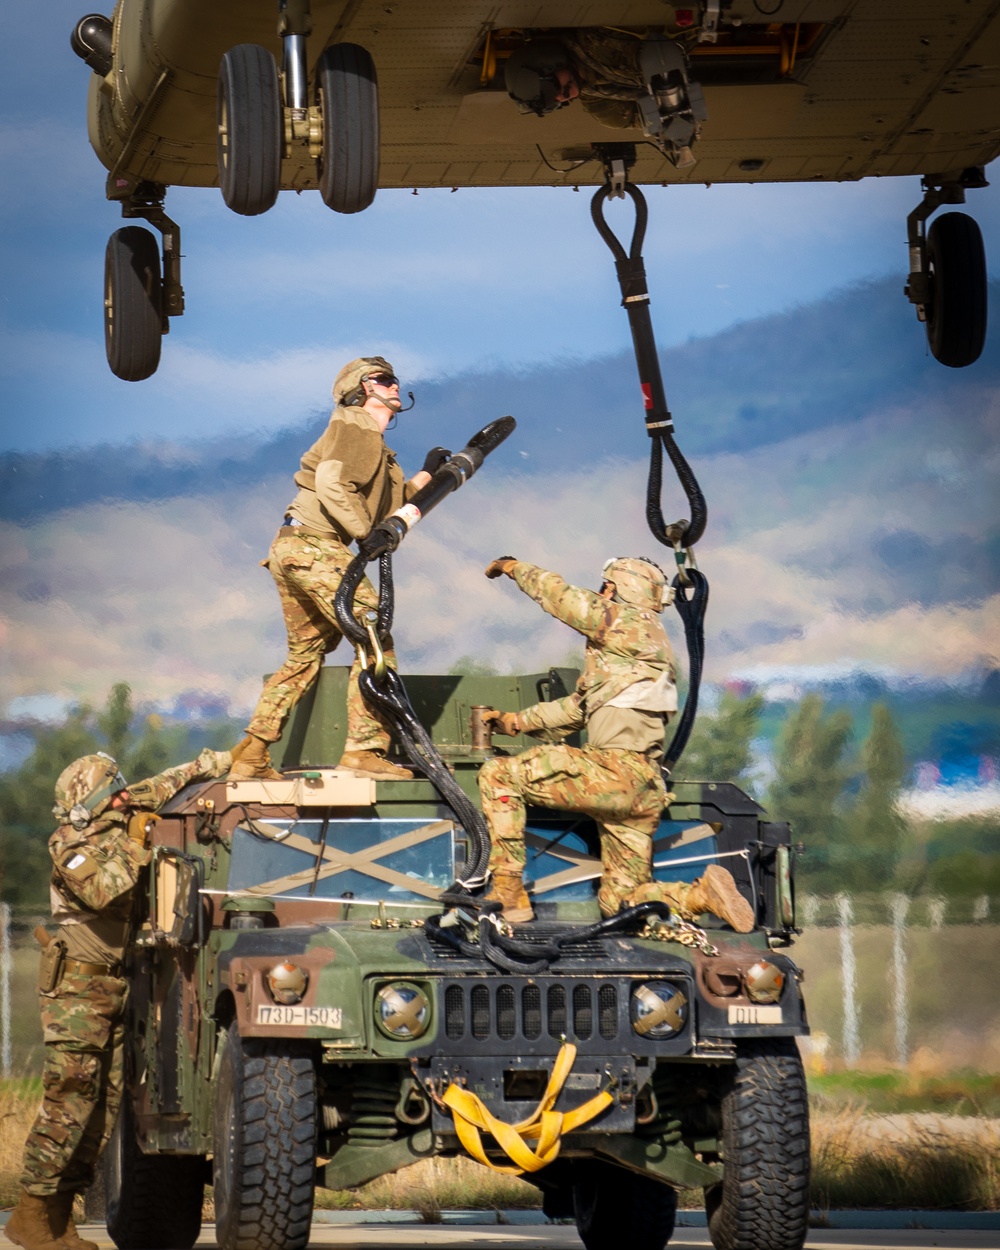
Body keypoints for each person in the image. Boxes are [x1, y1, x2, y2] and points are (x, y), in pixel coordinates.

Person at [5, 747, 231, 1250]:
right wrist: (140, 844)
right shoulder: (70, 845)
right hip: (76, 993)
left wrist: (209, 765)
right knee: (68, 1100)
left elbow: (158, 787)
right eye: (116, 792)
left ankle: (59, 1216)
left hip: (112, 987)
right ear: (93, 802)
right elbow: (107, 889)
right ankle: (31, 1212)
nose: (126, 796)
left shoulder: (115, 824)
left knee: (103, 1106)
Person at [476, 555, 754, 932]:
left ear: (618, 589)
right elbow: (577, 710)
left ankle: (508, 892)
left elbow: (561, 598)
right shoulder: (646, 650)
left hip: (608, 771)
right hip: (642, 787)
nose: (600, 593)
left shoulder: (624, 622)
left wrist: (513, 568)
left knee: (498, 776)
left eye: (606, 587)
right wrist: (513, 722)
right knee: (619, 902)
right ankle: (700, 897)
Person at [231, 356, 449, 782]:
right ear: (362, 388)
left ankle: (252, 755)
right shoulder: (356, 424)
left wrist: (425, 478)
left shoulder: (372, 445)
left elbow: (384, 506)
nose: (394, 385)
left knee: (305, 654)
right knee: (373, 632)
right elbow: (333, 483)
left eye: (394, 379)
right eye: (384, 379)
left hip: (293, 547)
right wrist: (363, 533)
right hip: (315, 546)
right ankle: (363, 751)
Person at [503, 32, 707, 166]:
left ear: (547, 61)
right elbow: (652, 119)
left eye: (550, 90)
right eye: (550, 103)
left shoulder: (598, 46)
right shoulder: (605, 108)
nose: (559, 97)